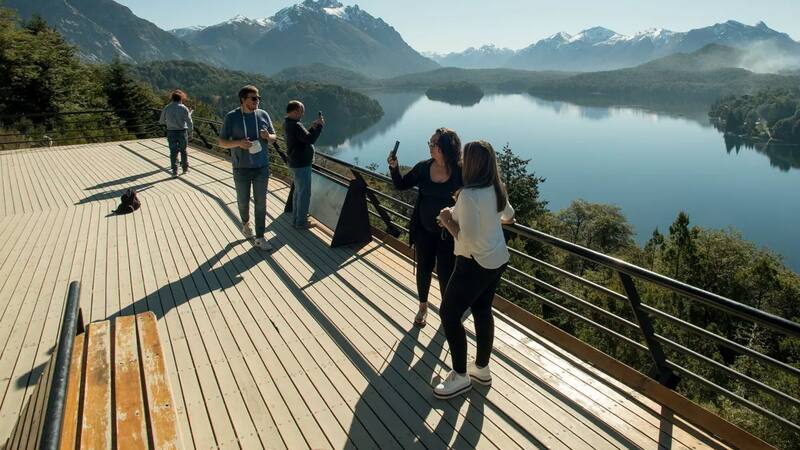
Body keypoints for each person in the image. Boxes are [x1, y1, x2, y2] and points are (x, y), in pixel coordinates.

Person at [433, 140, 515, 399]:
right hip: (497, 259)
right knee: (481, 310)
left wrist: (447, 220)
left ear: (473, 163)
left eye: (464, 158)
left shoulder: (469, 194)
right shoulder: (495, 187)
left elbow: (465, 238)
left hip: (473, 262)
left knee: (448, 313)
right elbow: (508, 217)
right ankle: (481, 368)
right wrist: (456, 212)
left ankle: (460, 376)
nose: (461, 162)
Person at [388, 128, 463, 327]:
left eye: (433, 144)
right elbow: (401, 185)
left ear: (446, 146)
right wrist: (394, 168)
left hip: (449, 234)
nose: (430, 147)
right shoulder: (423, 168)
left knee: (447, 272)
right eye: (429, 143)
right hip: (423, 230)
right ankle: (423, 307)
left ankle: (446, 310)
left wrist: (450, 215)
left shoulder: (460, 171)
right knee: (424, 269)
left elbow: (469, 201)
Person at [218, 85, 277, 251]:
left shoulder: (263, 115)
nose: (257, 101)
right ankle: (245, 224)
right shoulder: (232, 117)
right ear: (243, 100)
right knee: (243, 202)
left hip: (261, 167)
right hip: (241, 168)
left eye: (258, 98)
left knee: (261, 203)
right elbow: (222, 142)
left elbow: (274, 137)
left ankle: (260, 237)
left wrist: (268, 136)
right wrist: (238, 143)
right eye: (253, 98)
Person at [284, 100, 324, 229]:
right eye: (302, 111)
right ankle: (301, 222)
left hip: (295, 162)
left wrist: (312, 128)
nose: (303, 113)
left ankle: (296, 219)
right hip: (301, 164)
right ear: (295, 111)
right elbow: (310, 139)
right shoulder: (295, 125)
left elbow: (302, 138)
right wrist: (320, 127)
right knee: (304, 193)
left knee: (298, 192)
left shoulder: (289, 123)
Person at [159, 89, 193, 176]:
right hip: (182, 132)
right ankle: (185, 169)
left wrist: (169, 123)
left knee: (173, 151)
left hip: (171, 132)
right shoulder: (184, 108)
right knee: (183, 151)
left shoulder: (167, 108)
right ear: (181, 98)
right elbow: (189, 122)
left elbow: (161, 121)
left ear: (172, 98)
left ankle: (175, 171)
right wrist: (190, 132)